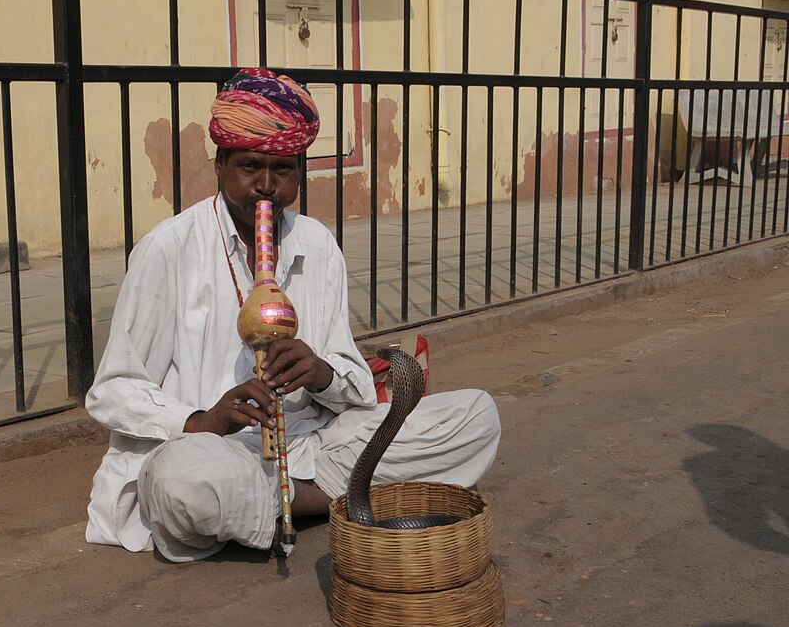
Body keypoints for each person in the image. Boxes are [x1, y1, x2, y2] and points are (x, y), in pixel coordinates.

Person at [85, 67, 500, 562]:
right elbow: (112, 391)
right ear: (219, 165)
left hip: (312, 444)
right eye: (249, 167)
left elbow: (354, 382)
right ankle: (331, 498)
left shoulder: (317, 245)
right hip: (214, 449)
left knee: (476, 417)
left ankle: (287, 502)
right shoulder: (168, 250)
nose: (266, 187)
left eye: (282, 169)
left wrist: (322, 373)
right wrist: (202, 420)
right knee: (182, 483)